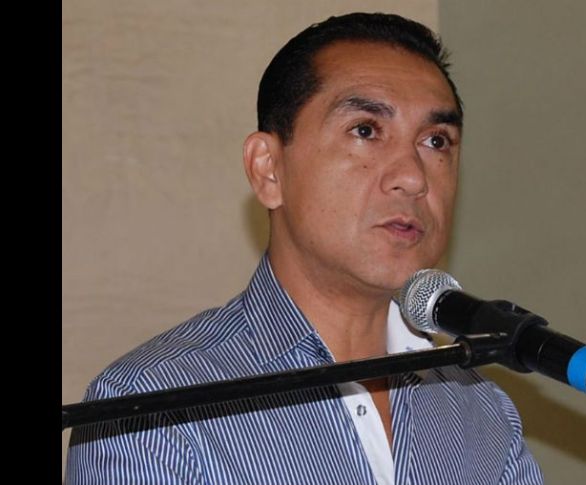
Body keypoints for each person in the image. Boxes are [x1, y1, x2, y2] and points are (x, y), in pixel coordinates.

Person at [65, 12, 544, 485]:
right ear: (269, 170)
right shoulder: (153, 408)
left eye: (436, 140)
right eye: (365, 130)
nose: (412, 177)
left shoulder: (481, 413)